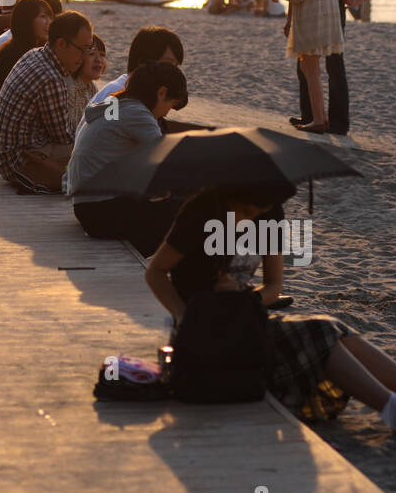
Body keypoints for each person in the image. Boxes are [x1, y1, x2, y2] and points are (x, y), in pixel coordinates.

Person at [146, 183, 396, 429]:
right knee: (319, 334)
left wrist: (245, 299)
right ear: (228, 197)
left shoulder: (270, 214)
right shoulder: (200, 212)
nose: (253, 217)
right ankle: (390, 407)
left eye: (260, 212)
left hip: (243, 317)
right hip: (202, 329)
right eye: (246, 210)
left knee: (334, 328)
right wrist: (182, 313)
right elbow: (155, 272)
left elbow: (274, 286)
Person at [68, 61, 189, 250]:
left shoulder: (116, 105)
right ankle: (162, 265)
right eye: (171, 105)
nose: (166, 113)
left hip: (86, 207)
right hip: (101, 211)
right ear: (162, 92)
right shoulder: (137, 113)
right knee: (187, 210)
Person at [272, 0, 361, 133]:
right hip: (330, 22)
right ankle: (321, 117)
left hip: (310, 23)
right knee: (309, 69)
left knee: (311, 72)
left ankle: (319, 120)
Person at [0, 10, 93, 194]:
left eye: (89, 50)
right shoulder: (51, 79)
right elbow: (63, 136)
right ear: (61, 44)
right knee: (94, 148)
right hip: (19, 164)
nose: (85, 57)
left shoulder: (35, 54)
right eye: (82, 49)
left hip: (5, 155)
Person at [0, 0, 63, 128]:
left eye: (51, 17)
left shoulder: (19, 42)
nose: (50, 23)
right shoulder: (18, 53)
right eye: (43, 17)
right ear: (27, 20)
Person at [67, 31, 107, 132]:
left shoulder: (91, 87)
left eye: (102, 55)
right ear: (79, 58)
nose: (98, 60)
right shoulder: (69, 88)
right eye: (91, 54)